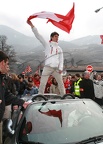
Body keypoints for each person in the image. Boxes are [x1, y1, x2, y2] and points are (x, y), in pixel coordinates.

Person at [27, 20, 65, 96]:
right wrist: (32, 26)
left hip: (56, 69)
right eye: (55, 36)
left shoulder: (59, 48)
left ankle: (64, 95)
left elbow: (61, 59)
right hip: (47, 67)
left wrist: (60, 68)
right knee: (43, 83)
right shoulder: (47, 44)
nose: (57, 38)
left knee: (61, 83)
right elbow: (38, 36)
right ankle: (40, 95)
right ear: (51, 37)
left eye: (58, 37)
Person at [0, 51, 30, 143]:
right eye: (7, 64)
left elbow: (7, 95)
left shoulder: (3, 79)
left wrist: (22, 102)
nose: (8, 67)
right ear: (2, 63)